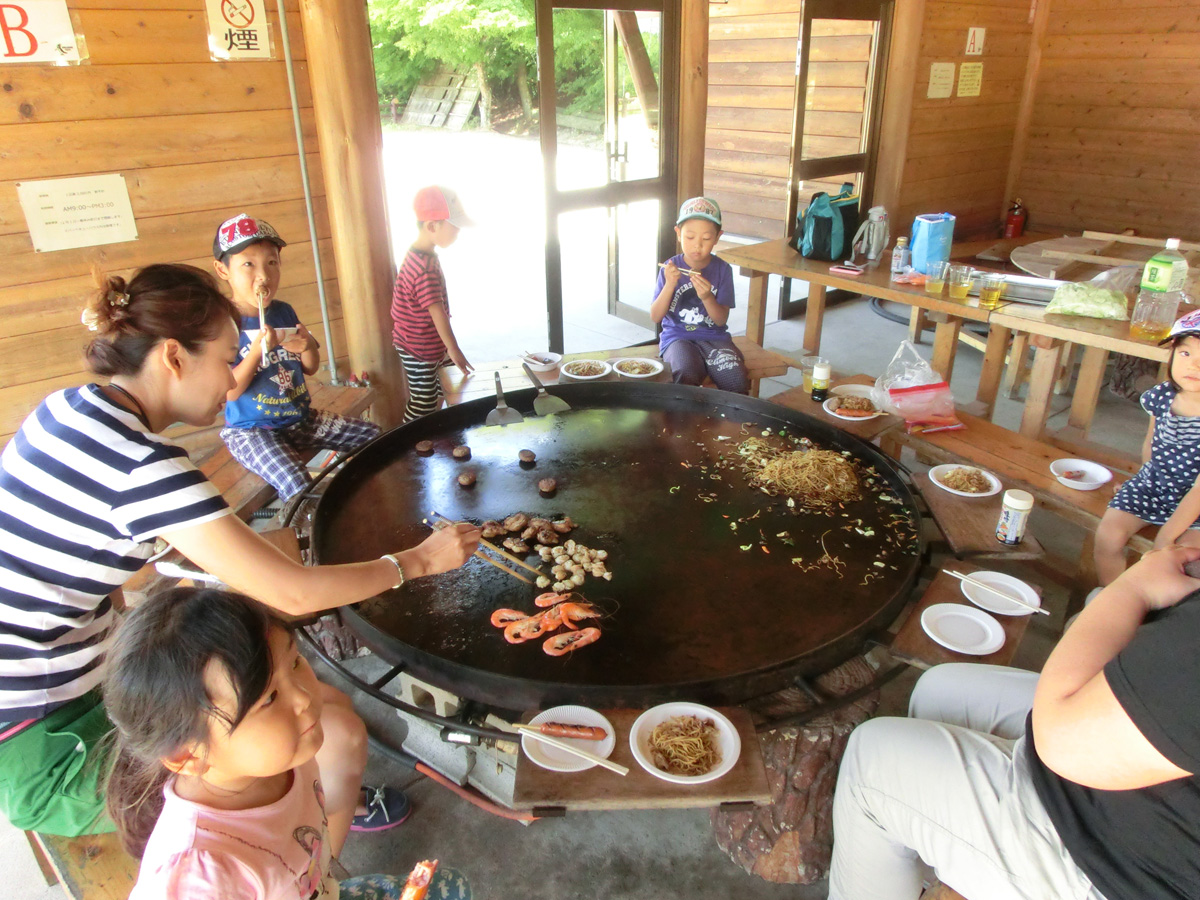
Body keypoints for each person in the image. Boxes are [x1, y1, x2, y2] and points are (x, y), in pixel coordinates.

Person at [0, 263, 479, 836]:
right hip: (41, 744)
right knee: (309, 740)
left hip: (87, 676)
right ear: (173, 356)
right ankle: (308, 841)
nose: (234, 383)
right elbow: (292, 592)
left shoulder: (67, 407)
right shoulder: (144, 466)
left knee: (325, 710)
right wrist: (420, 561)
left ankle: (324, 795)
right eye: (228, 359)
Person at [830, 545, 1200, 900]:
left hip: (1125, 867)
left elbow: (1065, 741)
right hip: (1138, 792)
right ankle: (926, 861)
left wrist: (1131, 589)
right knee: (942, 690)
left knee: (871, 759)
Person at [107, 586, 471, 900]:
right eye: (268, 698)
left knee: (450, 886)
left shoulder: (282, 752)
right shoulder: (200, 879)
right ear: (188, 755)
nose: (303, 698)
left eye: (295, 662)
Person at [213, 213, 382, 502]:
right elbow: (229, 391)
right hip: (252, 430)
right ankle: (306, 540)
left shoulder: (283, 311)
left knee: (377, 438)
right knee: (298, 484)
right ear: (222, 269)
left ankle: (365, 499)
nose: (263, 275)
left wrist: (307, 347)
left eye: (272, 262)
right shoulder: (222, 323)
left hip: (300, 419)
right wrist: (257, 351)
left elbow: (310, 369)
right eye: (248, 264)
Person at [1094, 309, 1200, 586]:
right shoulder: (1162, 396)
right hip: (1155, 485)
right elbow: (1151, 443)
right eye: (1185, 353)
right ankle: (1110, 599)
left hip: (1197, 503)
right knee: (1108, 536)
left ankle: (1158, 621)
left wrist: (1166, 536)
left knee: (1186, 561)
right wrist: (1141, 478)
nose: (1194, 365)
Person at [391, 186, 475, 422]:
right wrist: (454, 349)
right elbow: (438, 314)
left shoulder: (422, 253)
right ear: (431, 226)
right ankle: (408, 440)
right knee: (423, 399)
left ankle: (432, 431)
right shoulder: (424, 270)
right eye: (454, 226)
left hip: (429, 341)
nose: (458, 232)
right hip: (418, 348)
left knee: (443, 388)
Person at [651, 197, 749, 394]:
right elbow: (655, 316)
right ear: (678, 233)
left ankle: (733, 423)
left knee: (735, 378)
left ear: (717, 237)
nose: (697, 245)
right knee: (685, 371)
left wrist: (706, 297)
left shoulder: (722, 270)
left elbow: (720, 320)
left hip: (715, 337)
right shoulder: (669, 268)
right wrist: (670, 284)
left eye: (706, 239)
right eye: (690, 237)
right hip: (677, 337)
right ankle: (683, 422)